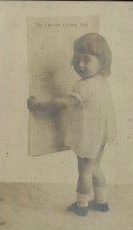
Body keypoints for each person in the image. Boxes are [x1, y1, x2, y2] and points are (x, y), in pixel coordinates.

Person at [27, 32, 116, 217]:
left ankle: (81, 205)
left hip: (88, 136)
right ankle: (101, 202)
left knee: (84, 171)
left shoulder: (83, 86)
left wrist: (37, 106)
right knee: (95, 168)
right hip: (101, 134)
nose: (80, 64)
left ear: (102, 62)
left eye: (86, 60)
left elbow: (62, 104)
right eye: (76, 59)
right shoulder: (102, 83)